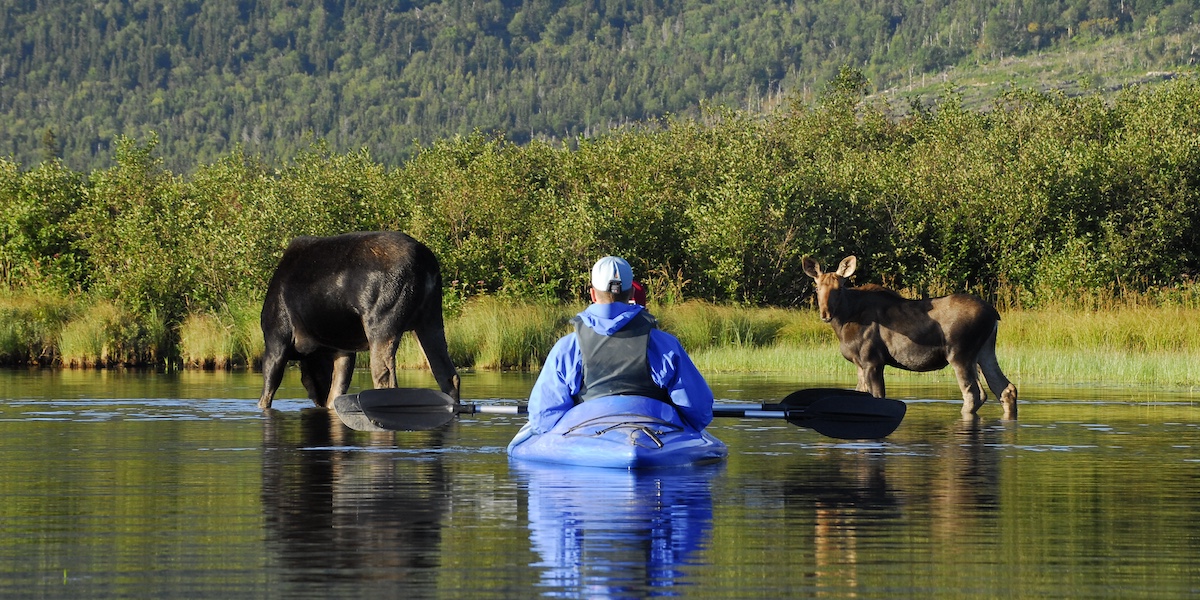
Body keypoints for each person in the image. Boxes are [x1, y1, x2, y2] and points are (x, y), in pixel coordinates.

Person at [524, 255, 714, 434]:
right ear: (631, 293)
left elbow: (544, 418)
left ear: (592, 294)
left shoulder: (567, 347)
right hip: (654, 433)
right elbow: (699, 411)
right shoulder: (664, 344)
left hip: (587, 434)